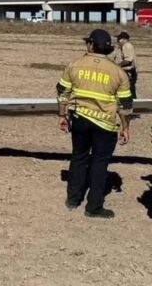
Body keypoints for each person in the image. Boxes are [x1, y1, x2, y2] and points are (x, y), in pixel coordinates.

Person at [56, 29, 132, 219]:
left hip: (80, 120)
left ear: (90, 45)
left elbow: (62, 91)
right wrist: (125, 128)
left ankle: (73, 199)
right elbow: (125, 105)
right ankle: (93, 207)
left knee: (78, 157)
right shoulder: (118, 72)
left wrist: (62, 114)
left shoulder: (75, 64)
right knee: (100, 163)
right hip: (105, 125)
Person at [113, 31, 137, 99]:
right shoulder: (124, 46)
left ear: (123, 39)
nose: (117, 41)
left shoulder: (127, 46)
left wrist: (117, 66)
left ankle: (131, 103)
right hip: (128, 72)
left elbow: (128, 60)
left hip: (128, 72)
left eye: (119, 39)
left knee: (129, 90)